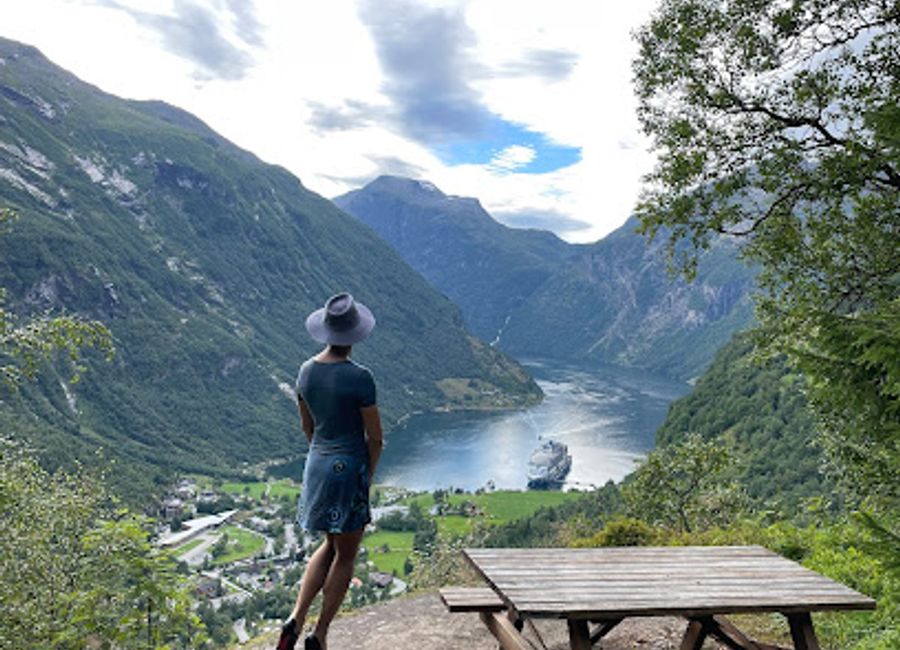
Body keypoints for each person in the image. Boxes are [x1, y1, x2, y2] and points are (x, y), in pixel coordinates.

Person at [278, 293, 384, 650]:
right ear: (354, 334)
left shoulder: (306, 372)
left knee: (328, 542)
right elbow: (376, 438)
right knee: (347, 553)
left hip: (317, 464)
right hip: (349, 466)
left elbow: (308, 428)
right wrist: (364, 477)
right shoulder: (360, 378)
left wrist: (322, 452)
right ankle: (319, 633)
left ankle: (295, 617)